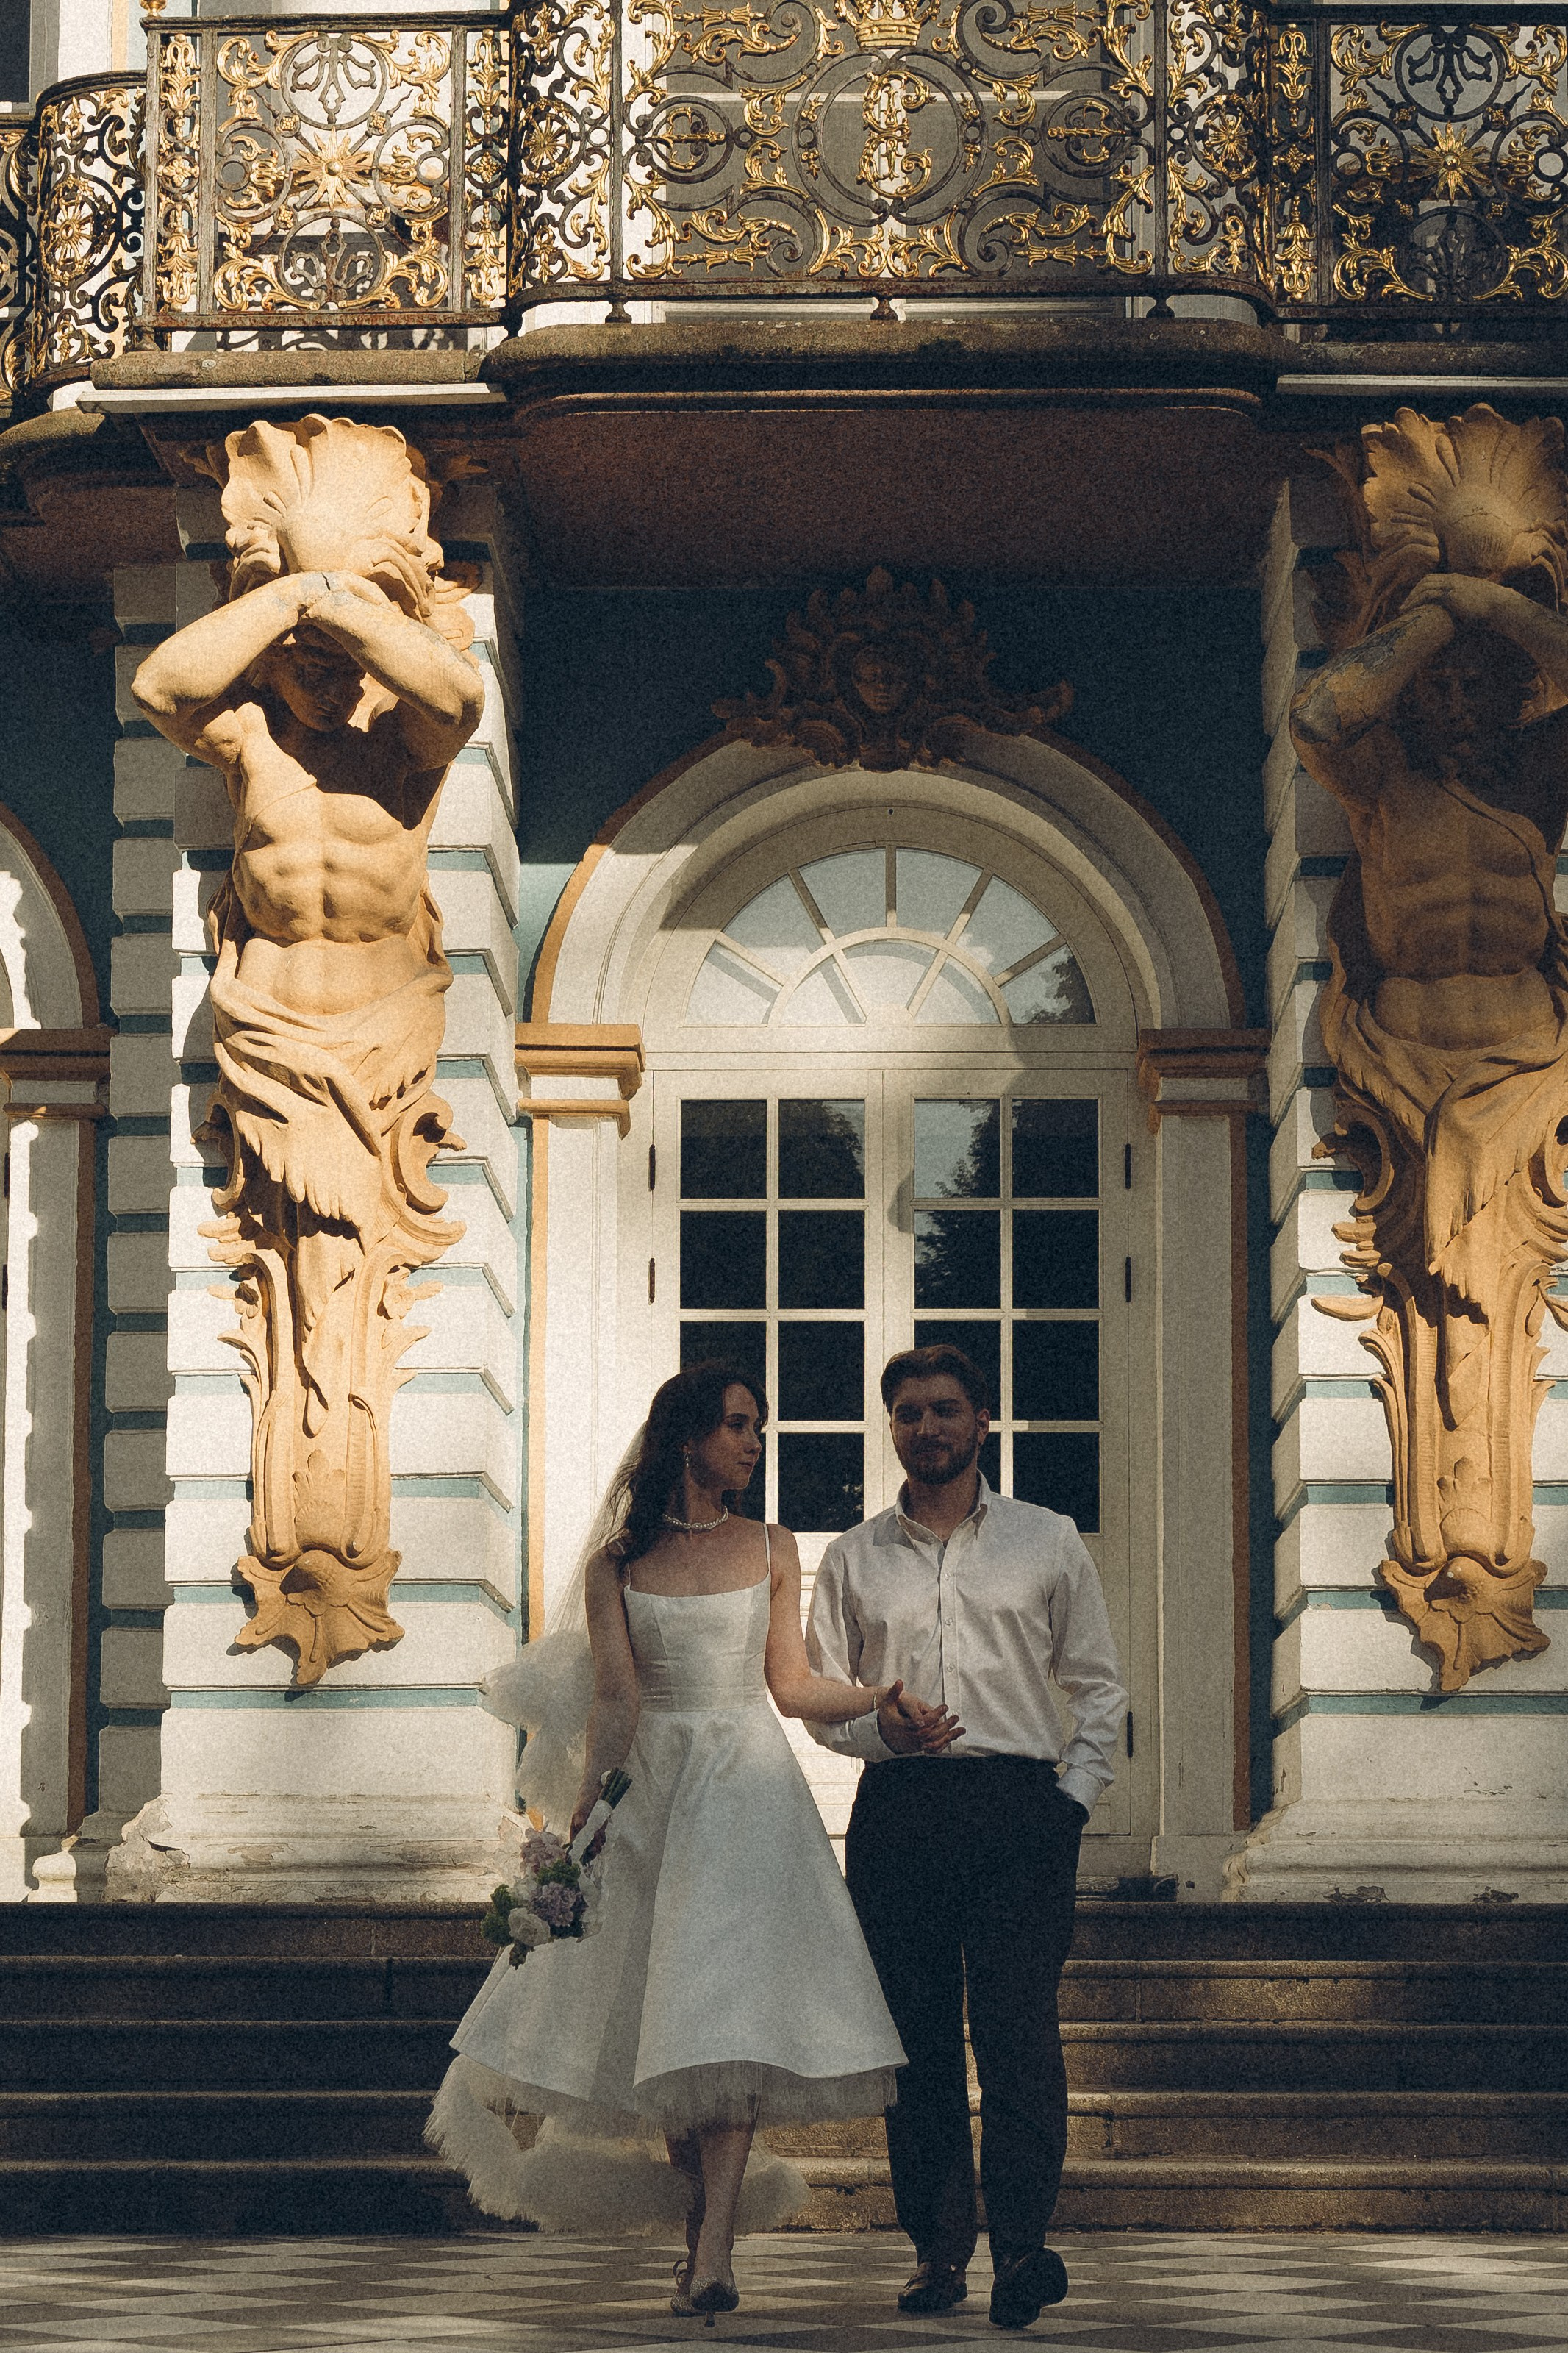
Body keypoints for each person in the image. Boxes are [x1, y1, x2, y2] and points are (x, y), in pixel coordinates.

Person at [429, 1363, 956, 2317]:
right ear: (686, 1439)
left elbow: (791, 1688)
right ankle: (699, 2244)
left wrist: (877, 1700)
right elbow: (617, 1703)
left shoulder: (773, 1545)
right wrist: (578, 1821)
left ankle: (712, 2251)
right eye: (738, 1426)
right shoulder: (616, 1564)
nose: (754, 1443)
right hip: (652, 1799)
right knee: (673, 2024)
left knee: (731, 2014)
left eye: (756, 1426)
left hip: (749, 1800)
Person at [807, 1344, 1126, 2332]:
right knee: (915, 2043)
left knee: (1018, 2033)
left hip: (1020, 1812)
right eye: (906, 1413)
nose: (926, 1427)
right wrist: (878, 1729)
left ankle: (1022, 2249)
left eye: (944, 1409)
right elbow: (822, 1702)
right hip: (900, 1813)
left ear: (981, 1420)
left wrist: (1069, 1796)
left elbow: (1096, 1684)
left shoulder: (1045, 1538)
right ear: (891, 1427)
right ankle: (937, 2251)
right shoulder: (852, 1556)